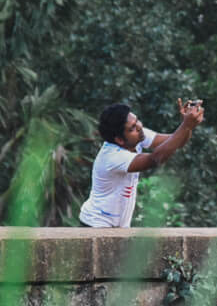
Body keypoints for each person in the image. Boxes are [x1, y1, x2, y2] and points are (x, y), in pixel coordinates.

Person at [79, 98, 206, 228]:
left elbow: (176, 141)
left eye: (137, 120)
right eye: (132, 127)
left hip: (118, 227)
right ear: (119, 140)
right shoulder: (112, 156)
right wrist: (185, 125)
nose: (139, 127)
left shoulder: (137, 136)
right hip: (95, 224)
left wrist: (187, 126)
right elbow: (155, 159)